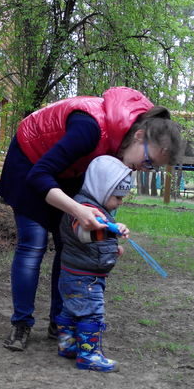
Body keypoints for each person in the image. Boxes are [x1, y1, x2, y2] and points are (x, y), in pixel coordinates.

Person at [0, 86, 182, 351]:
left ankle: (59, 321)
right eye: (149, 161)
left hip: (70, 169)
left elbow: (101, 199)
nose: (145, 169)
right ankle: (21, 323)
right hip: (30, 159)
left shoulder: (122, 145)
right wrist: (76, 209)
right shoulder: (90, 129)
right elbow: (39, 175)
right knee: (33, 243)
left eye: (152, 168)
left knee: (70, 244)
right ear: (139, 135)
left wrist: (106, 236)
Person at [55, 155, 132, 373]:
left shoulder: (97, 208)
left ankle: (68, 345)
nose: (120, 202)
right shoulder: (83, 208)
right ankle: (89, 355)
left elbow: (94, 245)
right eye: (117, 197)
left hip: (76, 273)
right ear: (102, 189)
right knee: (91, 313)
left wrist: (113, 249)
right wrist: (112, 229)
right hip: (85, 278)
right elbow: (83, 234)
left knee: (72, 309)